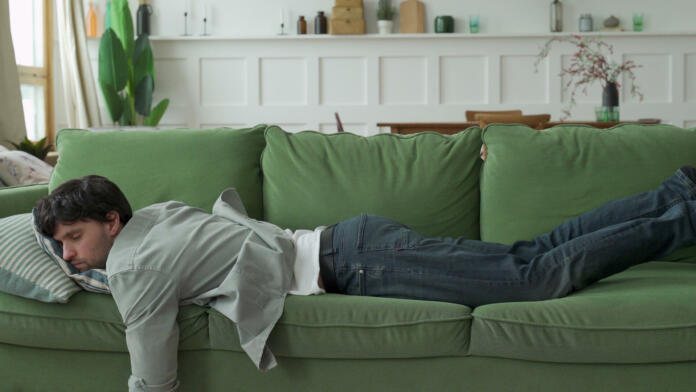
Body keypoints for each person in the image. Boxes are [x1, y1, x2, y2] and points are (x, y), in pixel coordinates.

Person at [35, 167, 696, 392]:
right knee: (536, 256)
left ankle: (682, 213)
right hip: (357, 246)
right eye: (59, 251)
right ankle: (677, 192)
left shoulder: (137, 261)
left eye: (75, 241)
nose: (70, 260)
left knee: (538, 275)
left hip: (359, 261)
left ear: (112, 221)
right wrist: (80, 273)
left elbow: (152, 371)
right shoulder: (154, 220)